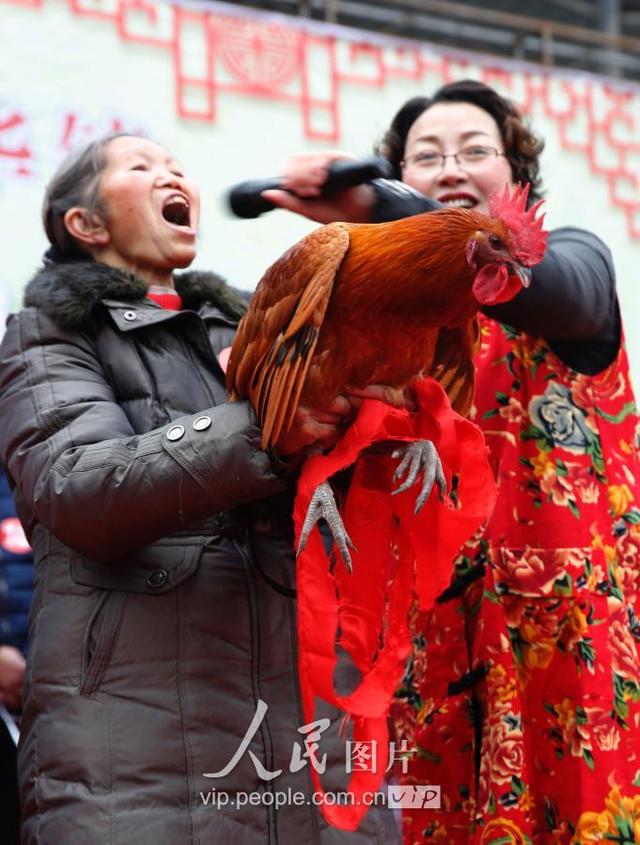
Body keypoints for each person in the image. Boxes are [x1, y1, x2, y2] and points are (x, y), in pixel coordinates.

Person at [261, 80, 640, 843]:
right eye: (426, 156)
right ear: (402, 172)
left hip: (573, 649)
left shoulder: (571, 265)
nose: (452, 166)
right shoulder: (377, 313)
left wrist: (380, 207)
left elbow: (553, 289)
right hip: (430, 653)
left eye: (476, 150)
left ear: (517, 175)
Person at [0, 133, 402, 844]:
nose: (170, 171)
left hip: (316, 734)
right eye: (141, 167)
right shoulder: (47, 335)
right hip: (139, 749)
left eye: (175, 164)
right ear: (86, 224)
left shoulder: (265, 325)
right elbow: (77, 488)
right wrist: (265, 426)